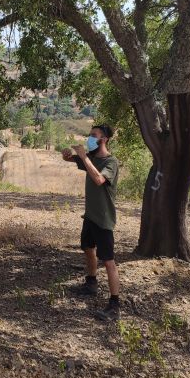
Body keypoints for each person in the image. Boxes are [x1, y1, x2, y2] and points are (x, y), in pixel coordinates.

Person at [62, 124, 121, 322]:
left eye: (93, 135)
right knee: (87, 247)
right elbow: (70, 159)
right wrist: (68, 155)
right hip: (90, 216)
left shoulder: (111, 162)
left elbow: (98, 179)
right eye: (89, 134)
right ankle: (91, 283)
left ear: (103, 139)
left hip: (104, 219)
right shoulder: (92, 158)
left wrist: (85, 157)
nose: (89, 138)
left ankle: (115, 305)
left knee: (109, 260)